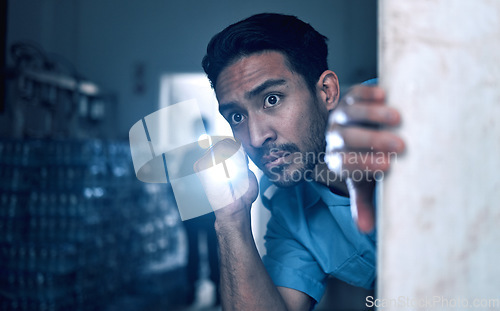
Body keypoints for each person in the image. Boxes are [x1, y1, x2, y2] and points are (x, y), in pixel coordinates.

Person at [195, 13, 405, 310]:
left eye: (271, 99)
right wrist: (231, 221)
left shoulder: (406, 109)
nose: (255, 137)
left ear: (327, 91)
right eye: (237, 117)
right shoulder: (289, 211)